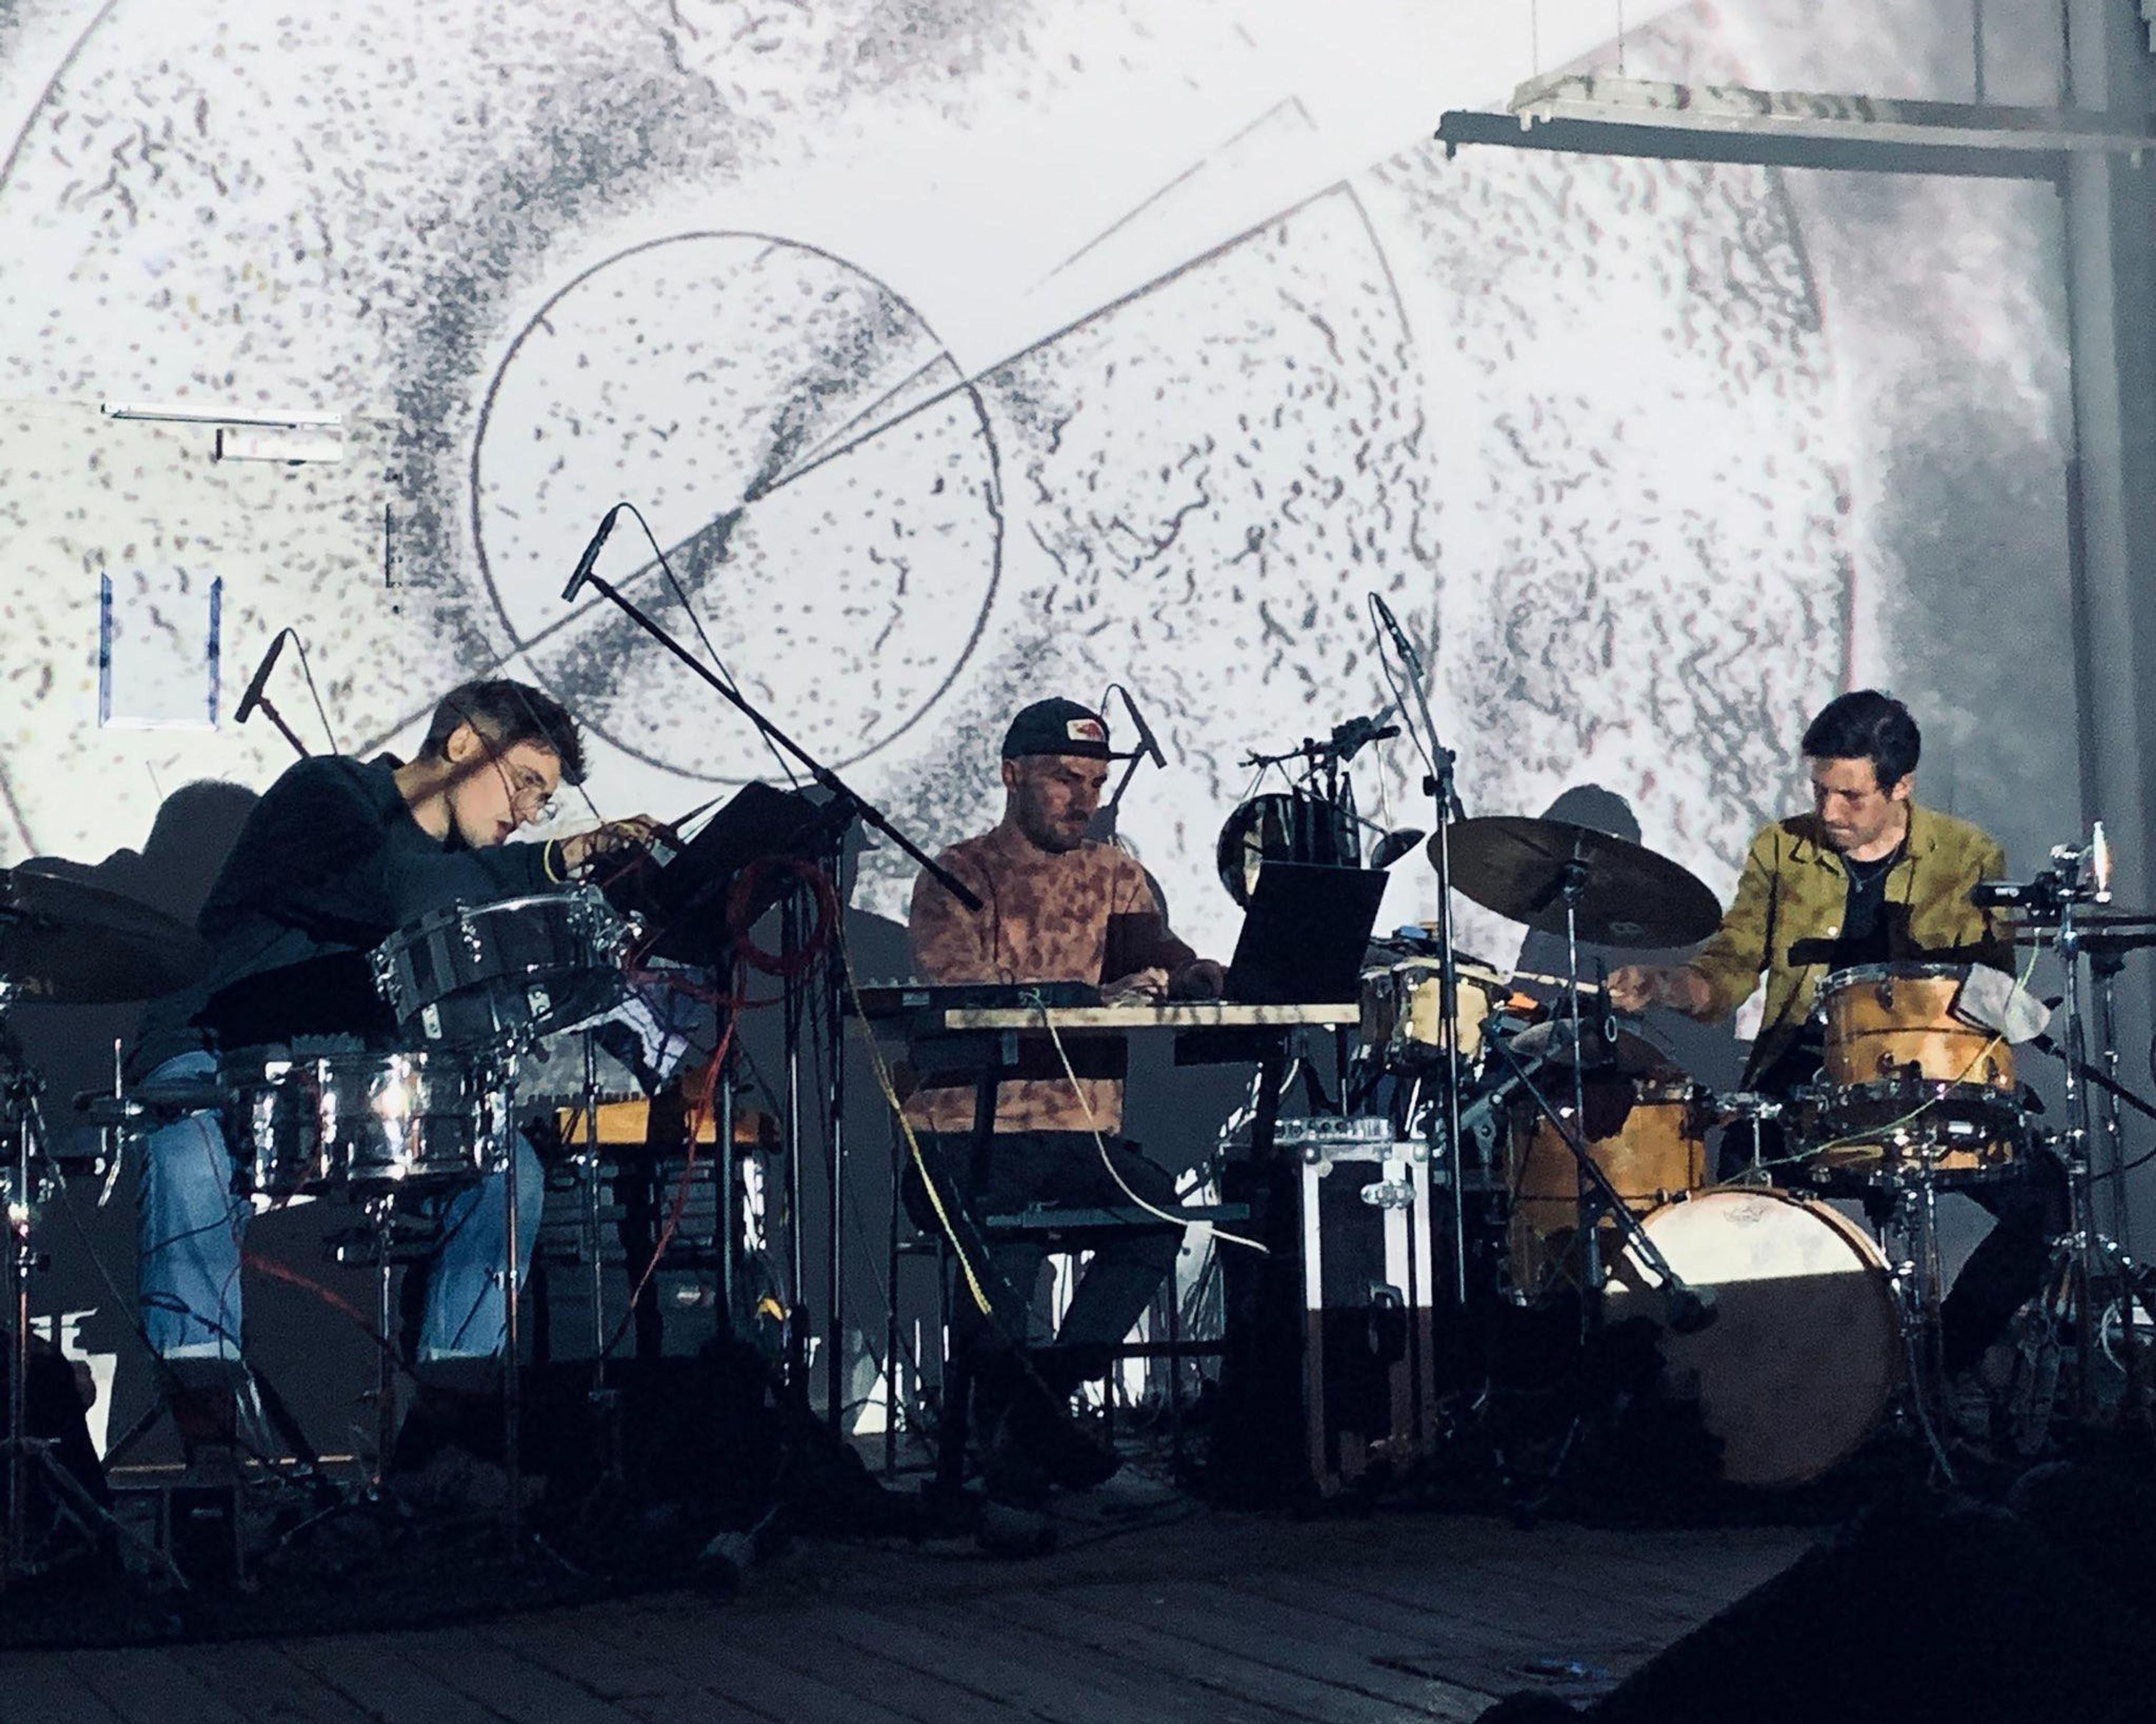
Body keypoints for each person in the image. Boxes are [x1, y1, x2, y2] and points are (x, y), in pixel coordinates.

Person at [131, 679, 659, 1454]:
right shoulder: (327, 794)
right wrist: (556, 858)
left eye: (544, 800)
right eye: (525, 781)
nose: (529, 810)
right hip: (217, 1044)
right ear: (463, 743)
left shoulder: (466, 866)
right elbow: (395, 891)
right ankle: (210, 1452)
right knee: (188, 1157)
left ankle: (443, 1443)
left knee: (509, 1172)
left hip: (345, 1073)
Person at [1609, 689, 2061, 1387]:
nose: (1829, 811)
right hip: (1808, 1076)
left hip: (1926, 1082)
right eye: (1820, 791)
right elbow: (1731, 966)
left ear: (1901, 785)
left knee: (2046, 1200)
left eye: (1850, 795)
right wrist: (1666, 985)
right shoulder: (1782, 849)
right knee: (1739, 1189)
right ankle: (1778, 1389)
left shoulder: (1967, 855)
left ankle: (1940, 1363)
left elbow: (1986, 989)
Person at [903, 696, 1223, 1494]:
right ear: (1012, 775)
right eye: (1065, 779)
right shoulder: (957, 874)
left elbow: (1159, 953)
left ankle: (1033, 1417)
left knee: (1156, 1215)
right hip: (967, 1133)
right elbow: (964, 988)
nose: (1084, 798)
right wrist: (1091, 997)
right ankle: (1029, 1447)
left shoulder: (1114, 873)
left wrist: (1196, 976)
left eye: (1095, 782)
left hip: (1081, 1138)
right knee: (1004, 1246)